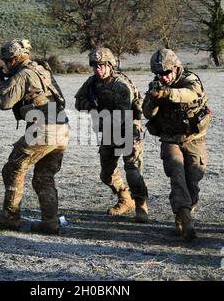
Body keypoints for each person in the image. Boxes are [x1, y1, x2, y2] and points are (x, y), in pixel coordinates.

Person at [0, 39, 70, 234]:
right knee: (43, 177)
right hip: (61, 129)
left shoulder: (23, 74)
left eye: (7, 60)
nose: (6, 63)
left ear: (15, 58)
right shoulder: (41, 69)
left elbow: (4, 102)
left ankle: (10, 217)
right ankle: (50, 223)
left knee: (13, 169)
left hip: (43, 129)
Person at [74, 47, 149, 223]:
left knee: (132, 171)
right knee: (106, 174)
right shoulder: (92, 83)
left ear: (110, 65)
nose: (97, 69)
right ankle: (125, 199)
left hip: (128, 130)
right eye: (95, 66)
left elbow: (123, 115)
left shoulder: (121, 85)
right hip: (109, 131)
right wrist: (90, 106)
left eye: (101, 65)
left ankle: (141, 205)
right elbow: (78, 102)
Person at [143, 48, 211, 240]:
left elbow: (190, 94)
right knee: (177, 176)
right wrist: (154, 100)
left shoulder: (190, 79)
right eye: (159, 74)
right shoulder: (156, 86)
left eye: (166, 73)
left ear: (176, 68)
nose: (163, 77)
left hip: (193, 139)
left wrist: (167, 94)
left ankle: (185, 212)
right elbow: (147, 113)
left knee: (194, 179)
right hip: (170, 139)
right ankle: (185, 217)